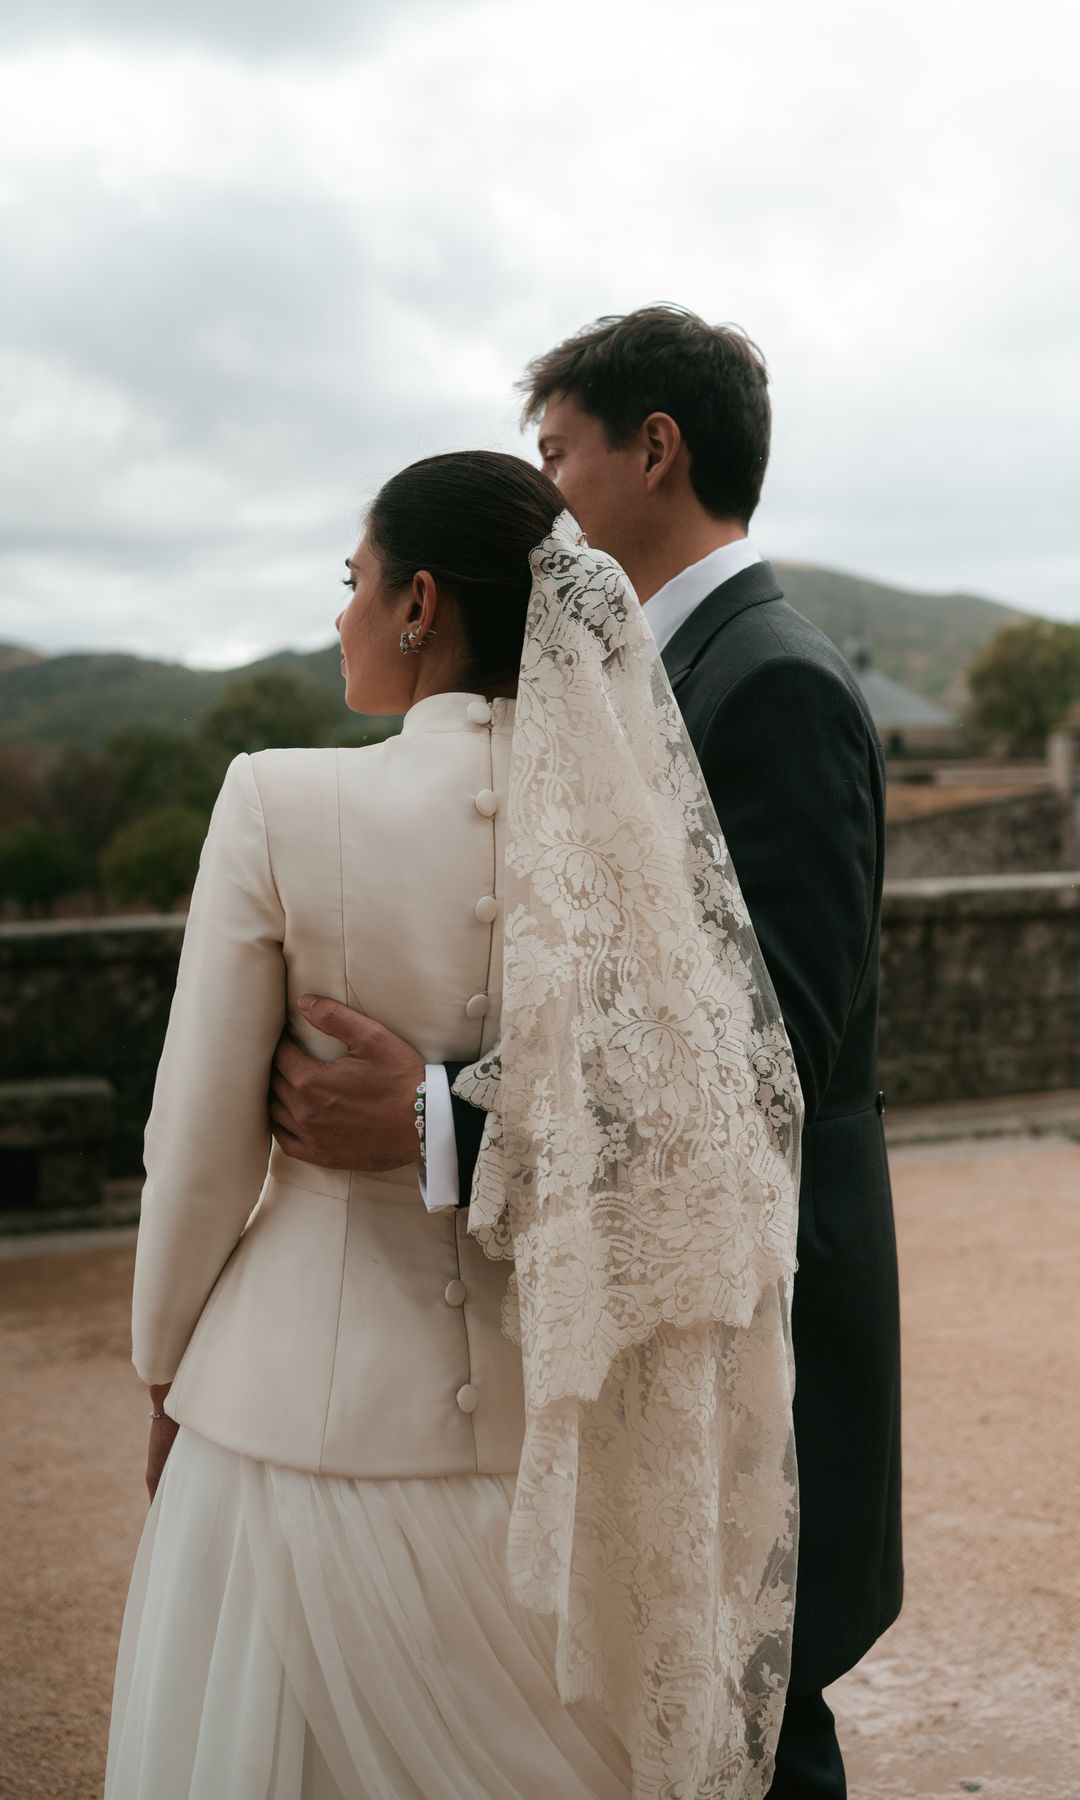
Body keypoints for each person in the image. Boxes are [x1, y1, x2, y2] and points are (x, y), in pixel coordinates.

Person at [105, 446, 805, 1800]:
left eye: (354, 580)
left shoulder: (276, 800)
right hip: (554, 1462)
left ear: (419, 601)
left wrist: (162, 1368)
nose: (341, 615)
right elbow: (701, 1138)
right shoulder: (639, 853)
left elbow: (194, 1151)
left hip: (294, 1423)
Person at [272, 306, 904, 1799]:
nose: (542, 496)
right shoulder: (647, 683)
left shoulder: (771, 684)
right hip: (663, 1300)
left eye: (556, 456)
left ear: (655, 450)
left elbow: (759, 1063)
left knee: (756, 1731)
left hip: (759, 1314)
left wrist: (438, 1116)